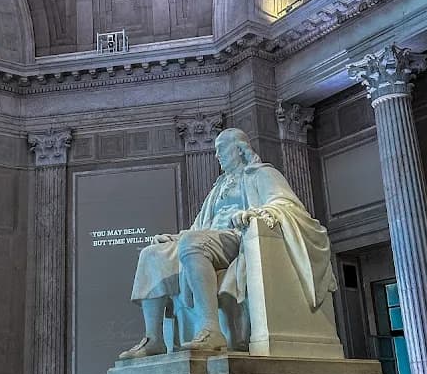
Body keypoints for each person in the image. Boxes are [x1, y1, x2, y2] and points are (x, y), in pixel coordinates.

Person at [119, 127, 336, 358]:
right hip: (209, 238)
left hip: (238, 236)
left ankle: (211, 328)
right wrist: (174, 238)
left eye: (221, 149)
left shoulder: (262, 174)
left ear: (240, 150)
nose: (216, 156)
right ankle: (154, 339)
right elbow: (200, 226)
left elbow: (286, 205)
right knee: (152, 254)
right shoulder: (219, 186)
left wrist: (257, 213)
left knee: (193, 243)